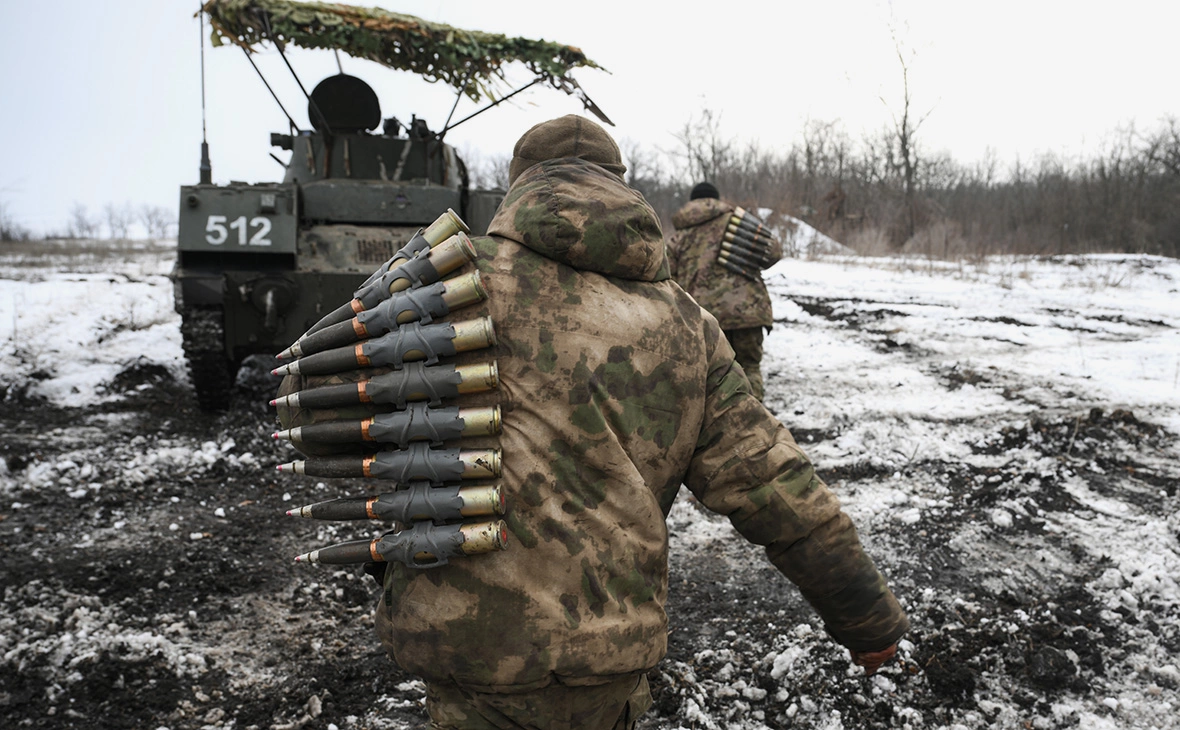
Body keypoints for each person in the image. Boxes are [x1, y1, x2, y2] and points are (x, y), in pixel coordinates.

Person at [296, 115, 907, 729]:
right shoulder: (687, 325)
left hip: (465, 641)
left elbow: (315, 393)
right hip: (605, 650)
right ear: (621, 188)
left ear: (518, 189)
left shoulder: (452, 279)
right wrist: (866, 617)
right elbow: (777, 487)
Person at [665, 182, 780, 401]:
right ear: (717, 199)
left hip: (704, 320)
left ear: (692, 202)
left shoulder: (680, 236)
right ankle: (753, 426)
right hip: (748, 313)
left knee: (709, 376)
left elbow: (669, 280)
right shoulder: (737, 220)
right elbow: (773, 252)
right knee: (749, 369)